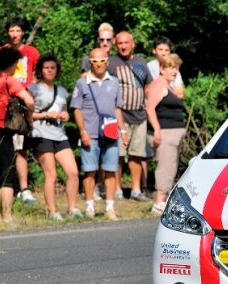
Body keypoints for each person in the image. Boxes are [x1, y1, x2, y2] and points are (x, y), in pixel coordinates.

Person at [0, 47, 34, 225]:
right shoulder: (9, 80)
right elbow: (29, 100)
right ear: (12, 64)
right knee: (8, 173)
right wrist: (29, 117)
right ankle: (8, 216)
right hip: (1, 129)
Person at [71, 47, 124, 220]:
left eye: (102, 61)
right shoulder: (82, 82)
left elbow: (117, 108)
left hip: (110, 133)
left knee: (110, 170)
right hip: (90, 133)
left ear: (107, 62)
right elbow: (77, 109)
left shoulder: (115, 82)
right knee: (89, 171)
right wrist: (82, 131)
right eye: (95, 61)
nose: (99, 64)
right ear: (90, 62)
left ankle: (109, 207)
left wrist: (122, 131)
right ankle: (89, 207)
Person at [27, 55, 81, 220]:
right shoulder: (33, 89)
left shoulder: (62, 91)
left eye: (53, 68)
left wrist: (65, 115)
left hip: (59, 134)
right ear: (41, 71)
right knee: (51, 174)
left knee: (72, 172)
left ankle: (72, 208)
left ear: (57, 70)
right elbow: (28, 115)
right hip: (41, 133)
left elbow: (65, 111)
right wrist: (45, 114)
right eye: (46, 68)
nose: (50, 71)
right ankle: (52, 211)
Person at [109, 30, 152, 202]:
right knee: (118, 154)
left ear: (133, 44)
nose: (123, 46)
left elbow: (148, 84)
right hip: (119, 115)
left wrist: (147, 102)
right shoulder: (111, 62)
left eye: (127, 42)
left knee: (136, 154)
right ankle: (117, 189)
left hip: (140, 116)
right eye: (120, 43)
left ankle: (135, 190)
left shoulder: (141, 61)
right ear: (115, 44)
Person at [0, 17, 40, 204]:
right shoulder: (1, 51)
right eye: (11, 30)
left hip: (24, 104)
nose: (14, 34)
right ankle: (5, 185)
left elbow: (37, 77)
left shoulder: (31, 52)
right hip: (4, 104)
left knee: (21, 147)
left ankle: (24, 189)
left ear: (23, 32)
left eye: (17, 30)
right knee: (3, 146)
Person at [146, 54, 186, 215]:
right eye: (171, 67)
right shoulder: (159, 85)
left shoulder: (170, 87)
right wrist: (156, 129)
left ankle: (165, 199)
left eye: (176, 67)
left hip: (175, 132)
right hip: (165, 132)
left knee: (171, 167)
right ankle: (158, 202)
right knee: (165, 167)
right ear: (162, 69)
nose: (174, 71)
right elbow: (150, 108)